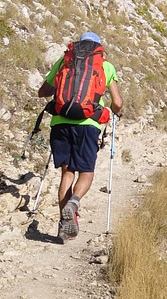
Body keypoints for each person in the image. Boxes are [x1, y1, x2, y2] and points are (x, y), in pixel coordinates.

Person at [37, 32, 123, 242]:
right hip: (88, 124)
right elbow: (117, 102)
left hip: (61, 121)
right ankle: (74, 202)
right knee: (86, 171)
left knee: (67, 173)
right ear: (98, 48)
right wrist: (115, 111)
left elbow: (43, 92)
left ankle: (64, 228)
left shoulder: (65, 61)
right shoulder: (105, 66)